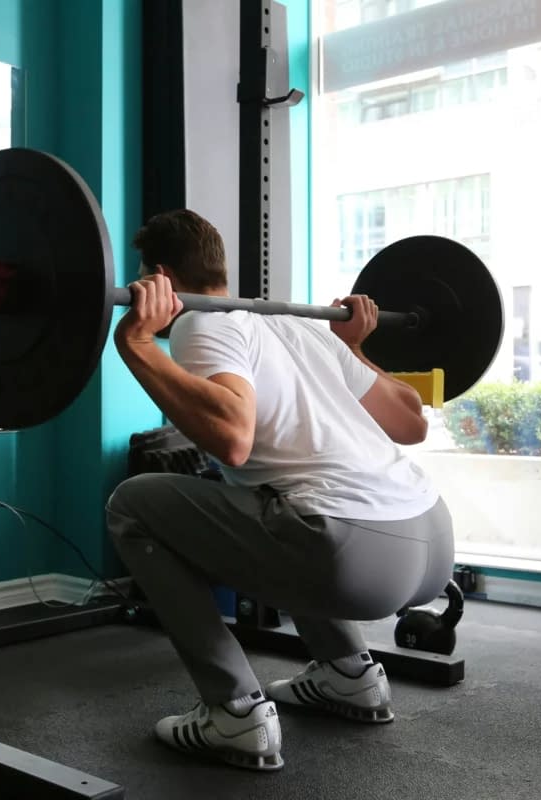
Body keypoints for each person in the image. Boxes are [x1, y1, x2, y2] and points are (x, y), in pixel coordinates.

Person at [106, 209, 455, 771]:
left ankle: (235, 712)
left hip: (355, 555)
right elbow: (412, 421)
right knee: (280, 500)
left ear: (163, 276)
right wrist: (355, 347)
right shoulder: (296, 324)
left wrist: (138, 342)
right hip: (431, 539)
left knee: (135, 503)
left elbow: (232, 438)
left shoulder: (204, 322)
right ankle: (350, 675)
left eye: (144, 274)